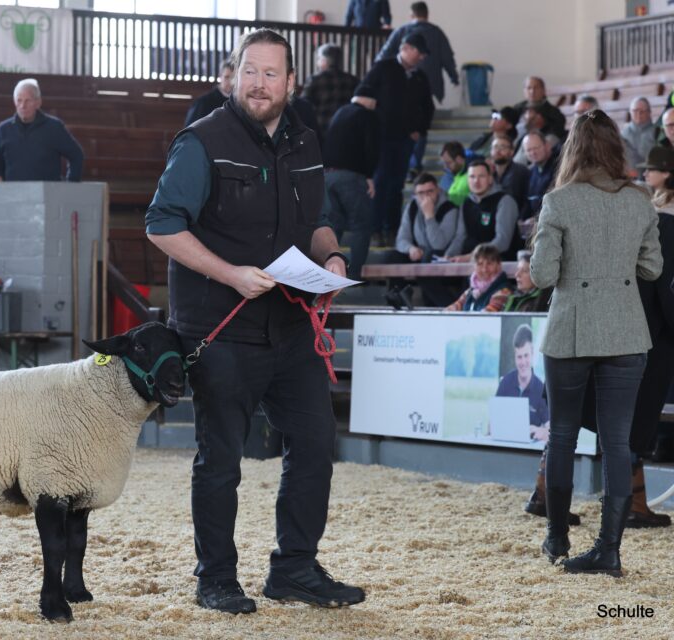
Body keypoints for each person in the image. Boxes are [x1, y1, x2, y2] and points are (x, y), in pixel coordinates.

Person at [145, 28, 364, 614]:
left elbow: (314, 219)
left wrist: (332, 255)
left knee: (316, 444)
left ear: (291, 82)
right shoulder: (202, 141)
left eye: (272, 74)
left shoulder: (306, 142)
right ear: (232, 75)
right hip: (221, 329)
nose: (260, 84)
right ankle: (215, 577)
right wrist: (230, 273)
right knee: (221, 459)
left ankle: (294, 569)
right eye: (250, 72)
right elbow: (162, 226)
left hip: (289, 324)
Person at [531, 109, 662, 574]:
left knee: (563, 435)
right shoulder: (640, 200)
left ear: (573, 149)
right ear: (616, 148)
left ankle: (557, 537)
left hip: (571, 327)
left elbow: (542, 274)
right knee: (618, 442)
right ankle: (609, 549)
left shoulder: (559, 202)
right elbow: (652, 268)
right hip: (627, 329)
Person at [625, 145, 674, 528]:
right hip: (654, 327)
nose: (645, 175)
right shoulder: (655, 216)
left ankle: (634, 503)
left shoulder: (655, 217)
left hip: (636, 322)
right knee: (638, 413)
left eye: (653, 170)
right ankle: (634, 504)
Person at [362, 31, 434, 244]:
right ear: (407, 49)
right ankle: (374, 229)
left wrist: (419, 129)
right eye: (419, 53)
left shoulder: (420, 77)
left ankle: (391, 228)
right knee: (380, 182)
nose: (422, 58)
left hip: (405, 141)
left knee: (397, 185)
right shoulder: (383, 68)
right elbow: (363, 95)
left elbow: (428, 107)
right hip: (382, 139)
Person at [321, 84, 380, 278]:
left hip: (327, 176)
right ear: (370, 100)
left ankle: (328, 276)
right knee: (361, 226)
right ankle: (353, 276)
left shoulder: (340, 113)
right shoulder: (366, 115)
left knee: (334, 227)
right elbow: (371, 147)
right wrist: (370, 176)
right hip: (351, 177)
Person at [385, 173, 463, 307]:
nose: (426, 197)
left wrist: (429, 216)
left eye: (430, 191)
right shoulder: (412, 206)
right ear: (415, 194)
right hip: (420, 254)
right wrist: (410, 248)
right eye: (421, 193)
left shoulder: (449, 208)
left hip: (443, 256)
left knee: (428, 257)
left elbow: (439, 244)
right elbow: (402, 238)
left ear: (438, 190)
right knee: (392, 256)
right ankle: (399, 300)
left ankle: (447, 305)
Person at [0, 79, 85, 183]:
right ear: (14, 102)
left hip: (47, 195)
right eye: (19, 100)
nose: (23, 106)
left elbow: (76, 155)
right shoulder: (4, 129)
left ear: (38, 103)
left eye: (28, 101)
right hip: (13, 194)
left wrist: (71, 184)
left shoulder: (54, 127)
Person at [375, 1, 458, 105]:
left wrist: (378, 76)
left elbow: (382, 56)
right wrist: (454, 78)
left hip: (403, 87)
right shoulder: (437, 33)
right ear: (427, 15)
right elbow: (447, 58)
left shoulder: (401, 31)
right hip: (432, 89)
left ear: (411, 15)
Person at [452, 160, 520, 261]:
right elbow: (460, 237)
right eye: (472, 177)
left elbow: (502, 241)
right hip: (471, 263)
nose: (476, 181)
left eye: (481, 176)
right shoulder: (466, 203)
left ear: (490, 179)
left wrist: (471, 257)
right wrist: (448, 257)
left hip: (499, 263)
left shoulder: (505, 201)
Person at [495, 324, 550, 441]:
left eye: (526, 356)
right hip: (506, 446)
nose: (523, 362)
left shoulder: (541, 389)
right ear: (515, 357)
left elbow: (550, 431)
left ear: (533, 354)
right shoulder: (505, 383)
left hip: (529, 454)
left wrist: (541, 432)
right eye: (519, 357)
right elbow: (492, 425)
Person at [300, 43, 360, 137]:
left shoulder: (314, 79)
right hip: (348, 130)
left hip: (322, 130)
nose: (317, 62)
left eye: (319, 59)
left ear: (324, 61)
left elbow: (303, 105)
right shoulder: (352, 80)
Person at [444, 243, 513, 312]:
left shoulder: (504, 291)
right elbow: (453, 308)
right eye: (480, 264)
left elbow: (488, 313)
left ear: (498, 265)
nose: (484, 269)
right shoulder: (470, 291)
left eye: (489, 264)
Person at [510, 76, 567, 141]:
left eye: (536, 88)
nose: (532, 91)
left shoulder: (553, 112)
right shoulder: (517, 108)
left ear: (543, 90)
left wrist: (543, 126)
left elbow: (558, 132)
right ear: (524, 91)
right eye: (529, 88)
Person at [521, 131, 558, 223]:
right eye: (529, 150)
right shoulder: (531, 172)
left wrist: (537, 219)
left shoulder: (559, 168)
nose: (533, 152)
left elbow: (556, 203)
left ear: (547, 146)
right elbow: (528, 201)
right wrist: (522, 220)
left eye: (536, 148)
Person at [185, 61, 235, 126]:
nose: (231, 82)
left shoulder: (239, 102)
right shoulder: (203, 102)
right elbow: (190, 130)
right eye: (227, 77)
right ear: (220, 77)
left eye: (234, 78)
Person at [491, 135, 531, 211]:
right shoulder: (488, 173)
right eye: (495, 147)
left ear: (511, 151)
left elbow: (526, 200)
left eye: (502, 147)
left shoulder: (520, 171)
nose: (498, 151)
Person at [621, 97, 654, 170]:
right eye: (635, 111)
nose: (639, 114)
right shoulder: (623, 133)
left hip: (650, 174)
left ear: (649, 112)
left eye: (642, 111)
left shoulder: (657, 132)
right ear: (630, 112)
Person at [439, 141, 469, 206]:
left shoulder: (472, 176)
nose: (445, 167)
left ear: (459, 159)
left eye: (448, 163)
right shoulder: (449, 173)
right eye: (444, 163)